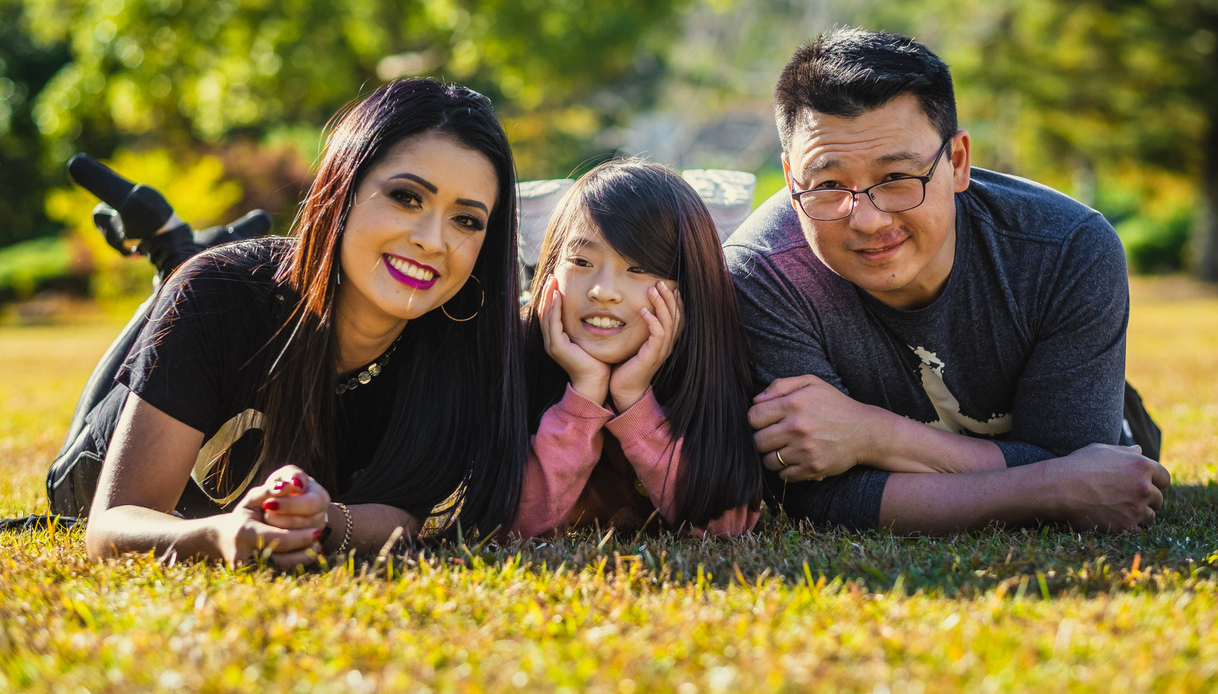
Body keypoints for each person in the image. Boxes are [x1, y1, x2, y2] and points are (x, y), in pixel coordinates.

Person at [724, 27, 1171, 534]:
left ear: (957, 162)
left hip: (1107, 431)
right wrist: (1053, 487)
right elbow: (819, 493)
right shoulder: (763, 272)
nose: (866, 220)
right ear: (790, 179)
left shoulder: (1066, 246)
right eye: (828, 185)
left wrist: (873, 437)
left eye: (896, 178)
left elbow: (1082, 464)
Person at [69, 77, 527, 566]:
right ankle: (176, 256)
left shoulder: (461, 345)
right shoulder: (219, 297)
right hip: (87, 467)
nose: (434, 241)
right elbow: (113, 522)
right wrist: (217, 537)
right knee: (193, 283)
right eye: (407, 197)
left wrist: (325, 521)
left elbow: (405, 514)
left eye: (467, 220)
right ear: (343, 190)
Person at [510, 160, 762, 538]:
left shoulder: (716, 359)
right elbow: (512, 525)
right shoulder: (514, 351)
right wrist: (582, 396)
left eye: (639, 268)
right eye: (581, 261)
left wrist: (635, 400)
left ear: (686, 286)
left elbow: (722, 524)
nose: (602, 291)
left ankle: (725, 219)